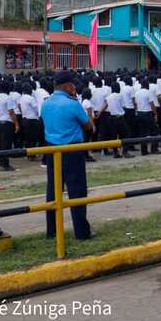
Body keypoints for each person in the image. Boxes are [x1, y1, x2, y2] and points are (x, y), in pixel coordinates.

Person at [40, 70, 95, 241]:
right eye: (72, 84)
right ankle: (81, 232)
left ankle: (52, 230)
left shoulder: (46, 103)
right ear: (67, 86)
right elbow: (88, 126)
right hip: (71, 150)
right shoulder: (72, 103)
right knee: (76, 190)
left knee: (53, 190)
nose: (74, 86)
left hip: (51, 150)